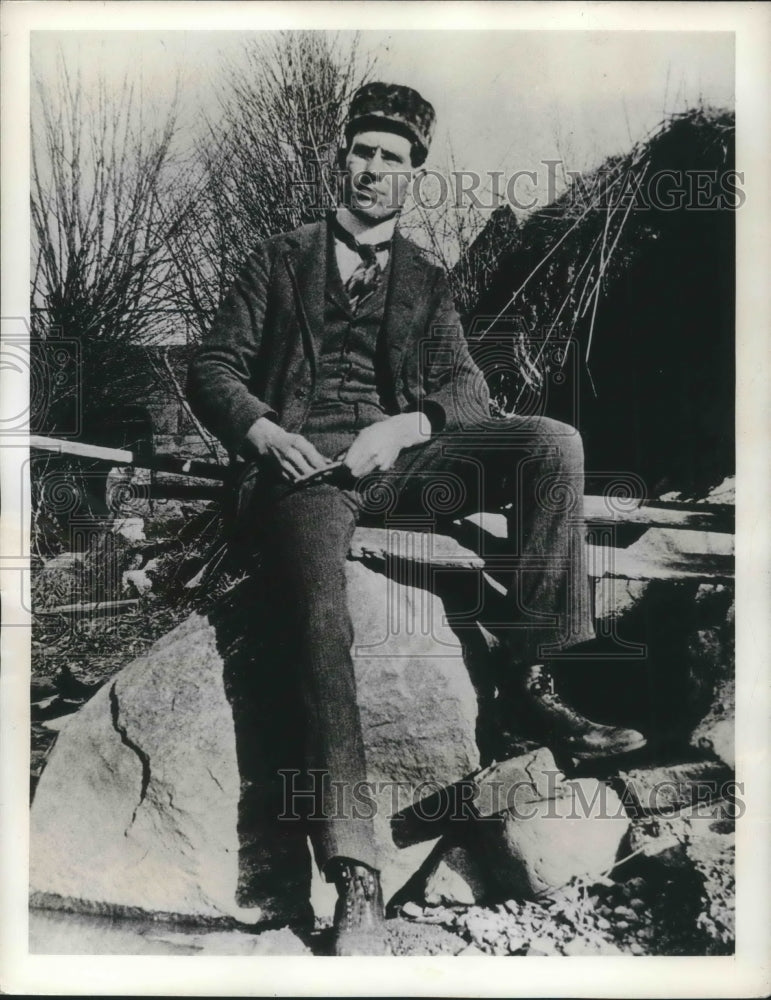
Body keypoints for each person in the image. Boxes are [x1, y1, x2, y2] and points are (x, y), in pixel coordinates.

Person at [187, 82, 645, 955]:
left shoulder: (426, 278)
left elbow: (466, 387)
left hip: (395, 464)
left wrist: (405, 427)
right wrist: (266, 433)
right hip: (302, 472)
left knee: (550, 444)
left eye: (391, 158)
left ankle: (533, 681)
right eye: (361, 152)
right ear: (341, 161)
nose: (372, 169)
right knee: (321, 623)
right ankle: (354, 872)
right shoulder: (278, 257)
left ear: (412, 176)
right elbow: (213, 366)